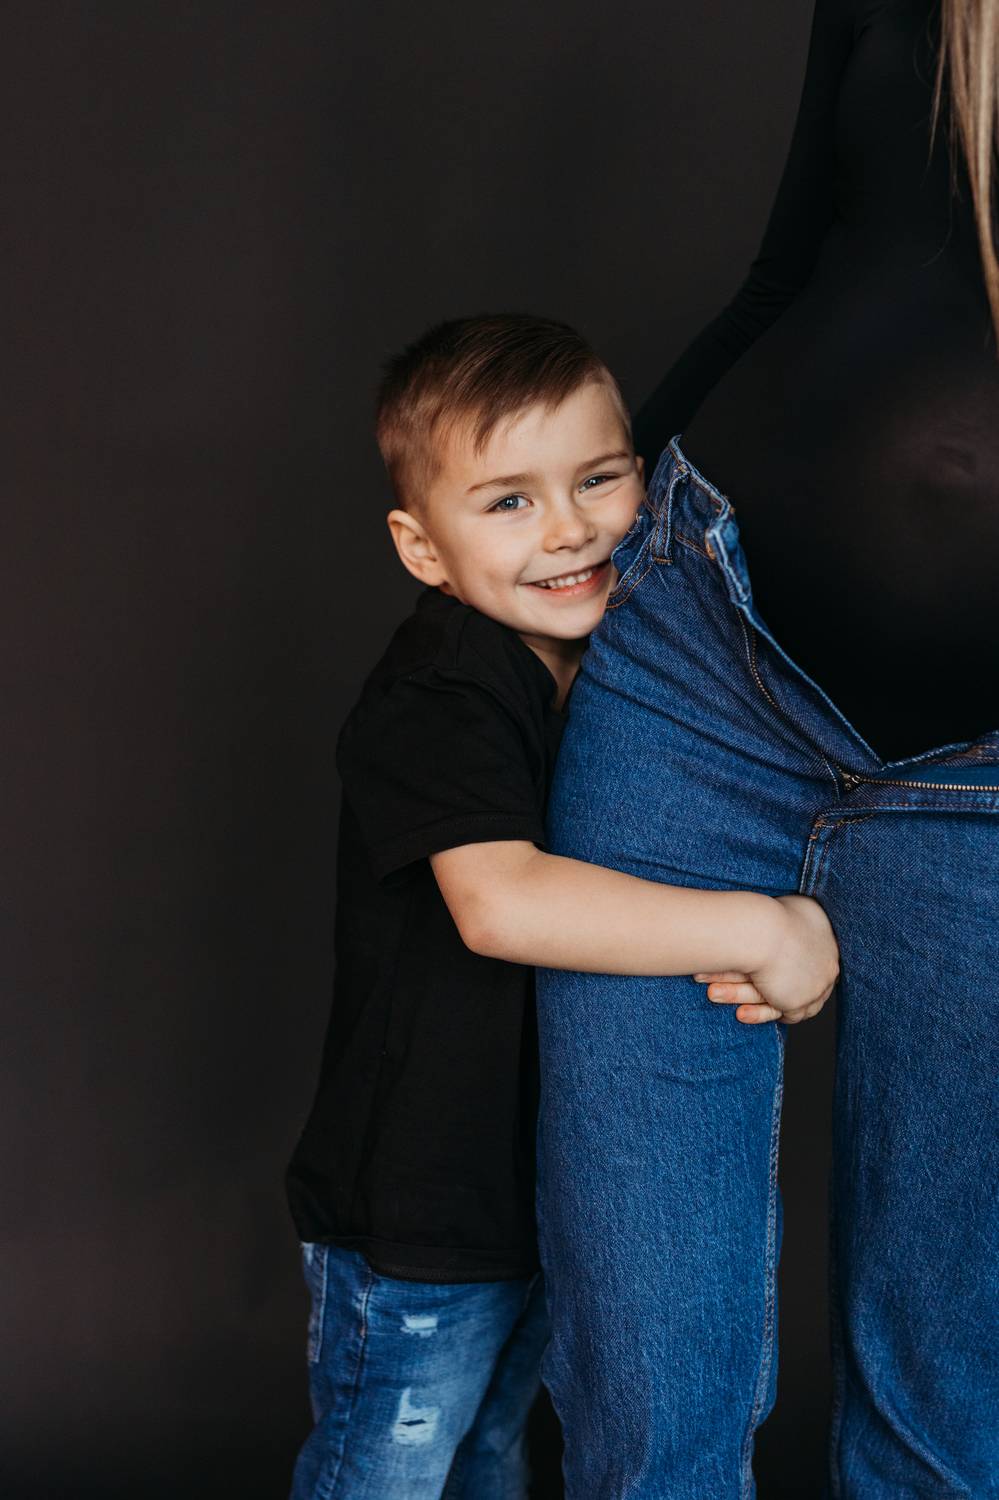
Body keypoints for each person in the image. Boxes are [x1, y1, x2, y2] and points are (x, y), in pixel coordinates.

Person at [536, 2, 999, 1496]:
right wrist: (580, 578)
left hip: (985, 799)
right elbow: (779, 280)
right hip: (700, 679)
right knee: (642, 1380)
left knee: (949, 1405)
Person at [284, 314, 840, 1499]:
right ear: (422, 549)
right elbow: (500, 902)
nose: (569, 528)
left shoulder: (615, 667)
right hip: (417, 1209)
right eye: (509, 502)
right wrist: (764, 928)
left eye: (599, 478)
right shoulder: (439, 689)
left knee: (492, 1455)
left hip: (533, 1185)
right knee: (390, 1467)